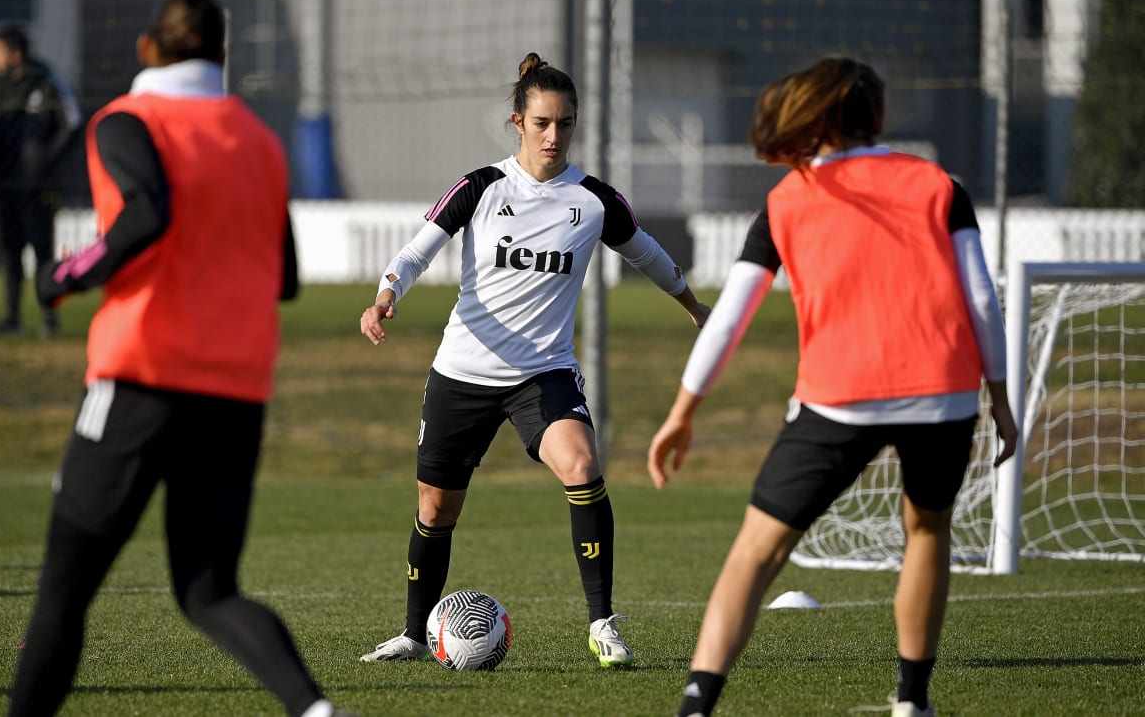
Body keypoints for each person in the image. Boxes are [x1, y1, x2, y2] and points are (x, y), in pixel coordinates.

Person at [8, 0, 350, 717]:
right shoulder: (257, 139)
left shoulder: (129, 121)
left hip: (141, 379)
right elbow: (284, 276)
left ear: (147, 49)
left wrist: (62, 276)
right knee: (209, 590)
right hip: (235, 392)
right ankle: (318, 713)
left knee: (63, 592)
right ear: (222, 56)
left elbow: (146, 214)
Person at [647, 57, 1019, 717]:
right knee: (926, 532)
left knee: (758, 551)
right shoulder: (939, 184)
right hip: (944, 392)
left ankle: (697, 705)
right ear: (877, 116)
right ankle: (912, 702)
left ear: (814, 120)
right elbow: (983, 300)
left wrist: (684, 411)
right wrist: (999, 396)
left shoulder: (788, 198)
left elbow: (729, 318)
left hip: (839, 397)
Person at [358, 52, 711, 668]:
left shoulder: (594, 201)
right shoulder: (481, 188)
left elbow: (648, 255)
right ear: (517, 121)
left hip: (542, 373)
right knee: (435, 509)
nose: (555, 135)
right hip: (462, 373)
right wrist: (387, 291)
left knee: (581, 465)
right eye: (543, 122)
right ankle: (415, 635)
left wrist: (694, 307)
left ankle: (603, 624)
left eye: (566, 124)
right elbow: (418, 250)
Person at [0, 24, 79, 338]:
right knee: (10, 253)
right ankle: (12, 317)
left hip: (38, 186)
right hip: (5, 183)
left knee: (43, 252)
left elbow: (70, 124)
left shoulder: (47, 84)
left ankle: (49, 317)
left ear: (15, 54)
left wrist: (45, 161)